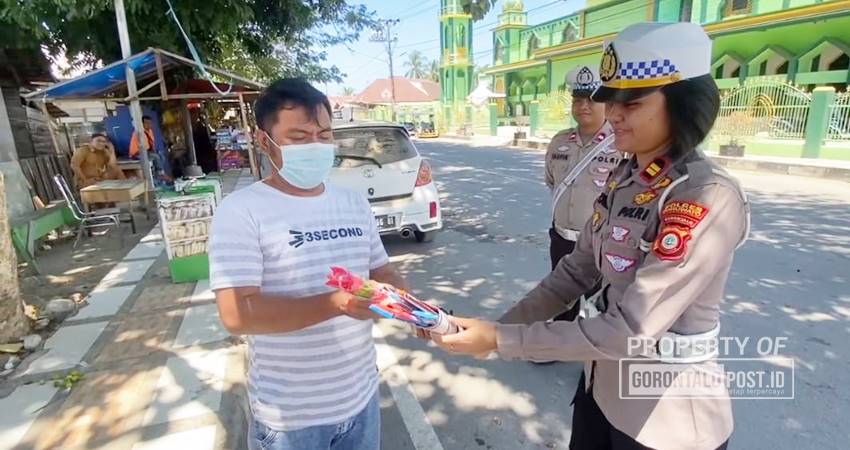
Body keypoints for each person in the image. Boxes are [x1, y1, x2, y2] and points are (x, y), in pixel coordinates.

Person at [431, 22, 749, 450]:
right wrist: (494, 329)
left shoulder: (702, 196)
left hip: (667, 418)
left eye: (631, 103)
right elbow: (576, 271)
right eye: (609, 101)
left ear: (683, 103)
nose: (612, 114)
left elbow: (627, 330)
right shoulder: (627, 177)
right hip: (601, 390)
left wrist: (501, 341)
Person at [209, 78, 409, 450]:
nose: (315, 146)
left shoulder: (352, 203)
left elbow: (381, 269)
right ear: (263, 140)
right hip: (290, 419)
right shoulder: (241, 211)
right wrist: (336, 304)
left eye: (323, 134)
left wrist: (396, 293)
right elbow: (237, 314)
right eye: (298, 137)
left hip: (362, 400)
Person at [545, 65, 624, 322]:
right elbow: (551, 181)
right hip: (561, 239)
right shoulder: (559, 142)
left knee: (596, 303)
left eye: (592, 100)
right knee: (559, 296)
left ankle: (591, 359)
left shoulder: (622, 144)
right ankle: (555, 343)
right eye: (577, 100)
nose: (584, 106)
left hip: (600, 243)